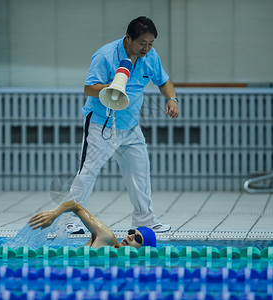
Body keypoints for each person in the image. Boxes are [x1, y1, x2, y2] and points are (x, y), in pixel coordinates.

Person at [65, 16, 180, 234]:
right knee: (88, 171)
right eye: (142, 43)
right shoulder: (105, 56)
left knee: (140, 172)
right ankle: (72, 220)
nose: (146, 48)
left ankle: (144, 220)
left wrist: (172, 99)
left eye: (151, 43)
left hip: (131, 126)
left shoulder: (150, 56)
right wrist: (113, 86)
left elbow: (163, 81)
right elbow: (89, 88)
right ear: (128, 38)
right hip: (102, 123)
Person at [29, 199, 156, 249]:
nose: (130, 237)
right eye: (131, 232)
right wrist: (55, 213)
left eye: (137, 238)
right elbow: (75, 206)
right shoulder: (106, 238)